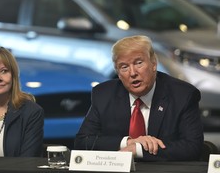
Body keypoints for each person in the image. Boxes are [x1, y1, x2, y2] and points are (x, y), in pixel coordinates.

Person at [74, 35, 204, 161]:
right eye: (124, 67)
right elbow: (83, 142)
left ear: (154, 64)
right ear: (118, 73)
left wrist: (139, 149)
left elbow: (193, 147)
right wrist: (128, 142)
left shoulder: (182, 95)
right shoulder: (104, 94)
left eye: (138, 63)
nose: (133, 73)